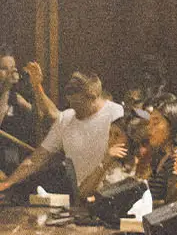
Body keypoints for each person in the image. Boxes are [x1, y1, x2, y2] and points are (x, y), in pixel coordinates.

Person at [0, 70, 124, 198]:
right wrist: (8, 183)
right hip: (80, 197)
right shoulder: (66, 118)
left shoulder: (117, 114)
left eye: (77, 104)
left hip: (111, 194)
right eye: (70, 103)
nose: (73, 108)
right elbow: (36, 159)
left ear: (92, 96)